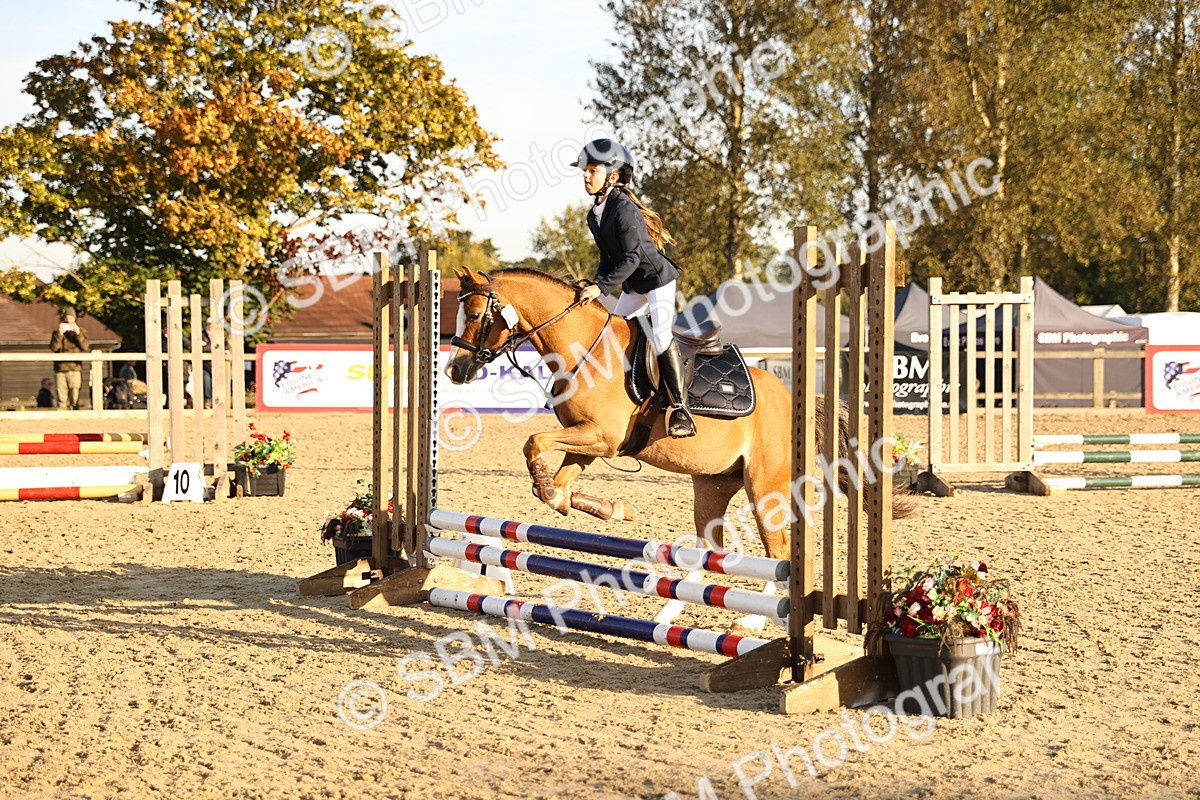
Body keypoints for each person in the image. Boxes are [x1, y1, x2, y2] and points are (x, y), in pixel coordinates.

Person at [572, 138, 696, 437]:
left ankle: (680, 408)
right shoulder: (595, 214)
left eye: (592, 170)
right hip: (634, 285)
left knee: (661, 335)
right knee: (610, 332)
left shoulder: (623, 209)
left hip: (657, 283)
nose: (586, 176)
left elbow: (632, 257)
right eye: (584, 171)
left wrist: (601, 289)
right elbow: (607, 257)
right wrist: (594, 282)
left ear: (612, 176)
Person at [49, 307, 90, 410]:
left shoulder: (81, 332)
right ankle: (62, 409)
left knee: (75, 390)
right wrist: (59, 334)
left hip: (75, 367)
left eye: (71, 319)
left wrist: (78, 334)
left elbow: (86, 348)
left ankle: (74, 407)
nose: (68, 321)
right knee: (61, 390)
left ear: (75, 320)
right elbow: (54, 348)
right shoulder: (57, 333)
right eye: (67, 319)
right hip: (60, 367)